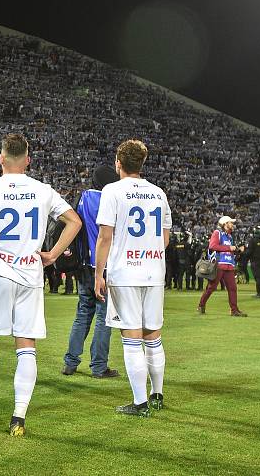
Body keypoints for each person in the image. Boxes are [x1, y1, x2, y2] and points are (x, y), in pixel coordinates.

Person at [0, 133, 81, 436]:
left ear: (1, 159)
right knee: (26, 344)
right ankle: (19, 419)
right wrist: (51, 254)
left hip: (0, 272)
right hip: (31, 274)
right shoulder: (43, 190)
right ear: (28, 160)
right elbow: (74, 221)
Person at [94, 139, 172, 418]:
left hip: (125, 271)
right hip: (153, 271)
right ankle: (157, 394)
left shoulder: (112, 191)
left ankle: (140, 403)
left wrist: (98, 274)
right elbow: (164, 238)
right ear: (142, 163)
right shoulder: (158, 193)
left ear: (118, 163)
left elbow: (105, 237)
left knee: (131, 337)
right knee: (153, 335)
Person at [61, 165, 120, 379]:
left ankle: (70, 362)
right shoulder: (110, 198)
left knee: (83, 313)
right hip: (103, 265)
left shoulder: (83, 197)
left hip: (83, 264)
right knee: (104, 317)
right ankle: (98, 366)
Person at [198, 217, 247, 317]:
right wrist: (229, 248)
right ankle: (201, 305)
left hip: (229, 265)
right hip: (219, 265)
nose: (232, 224)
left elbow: (229, 251)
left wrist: (238, 250)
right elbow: (212, 246)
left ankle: (234, 310)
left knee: (232, 288)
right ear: (225, 224)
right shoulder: (217, 233)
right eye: (230, 223)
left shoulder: (229, 236)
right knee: (211, 287)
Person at [245, 227, 260, 298]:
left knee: (258, 277)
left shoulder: (253, 240)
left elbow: (249, 252)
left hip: (255, 261)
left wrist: (245, 253)